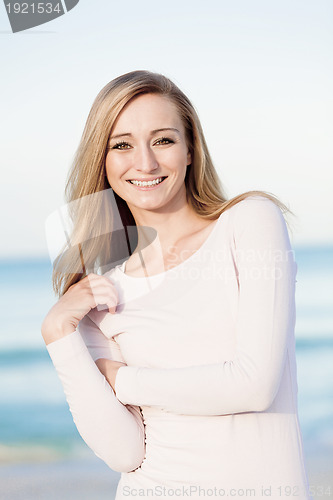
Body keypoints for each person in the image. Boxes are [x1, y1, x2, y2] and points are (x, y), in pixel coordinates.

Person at [42, 70, 312, 500]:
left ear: (191, 150)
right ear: (104, 160)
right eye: (122, 145)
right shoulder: (100, 295)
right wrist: (58, 335)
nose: (145, 163)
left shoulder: (248, 222)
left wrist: (122, 379)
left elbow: (255, 385)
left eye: (163, 140)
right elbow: (124, 453)